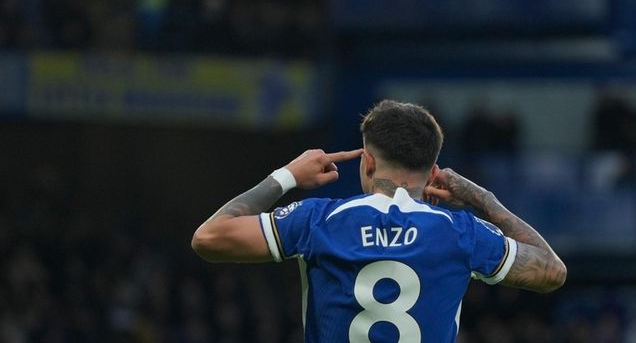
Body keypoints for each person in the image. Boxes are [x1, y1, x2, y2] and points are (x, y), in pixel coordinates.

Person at [191, 100, 566, 342]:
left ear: (366, 161)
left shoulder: (317, 220)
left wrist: (287, 175)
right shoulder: (461, 232)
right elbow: (551, 271)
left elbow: (209, 237)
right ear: (433, 170)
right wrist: (481, 198)